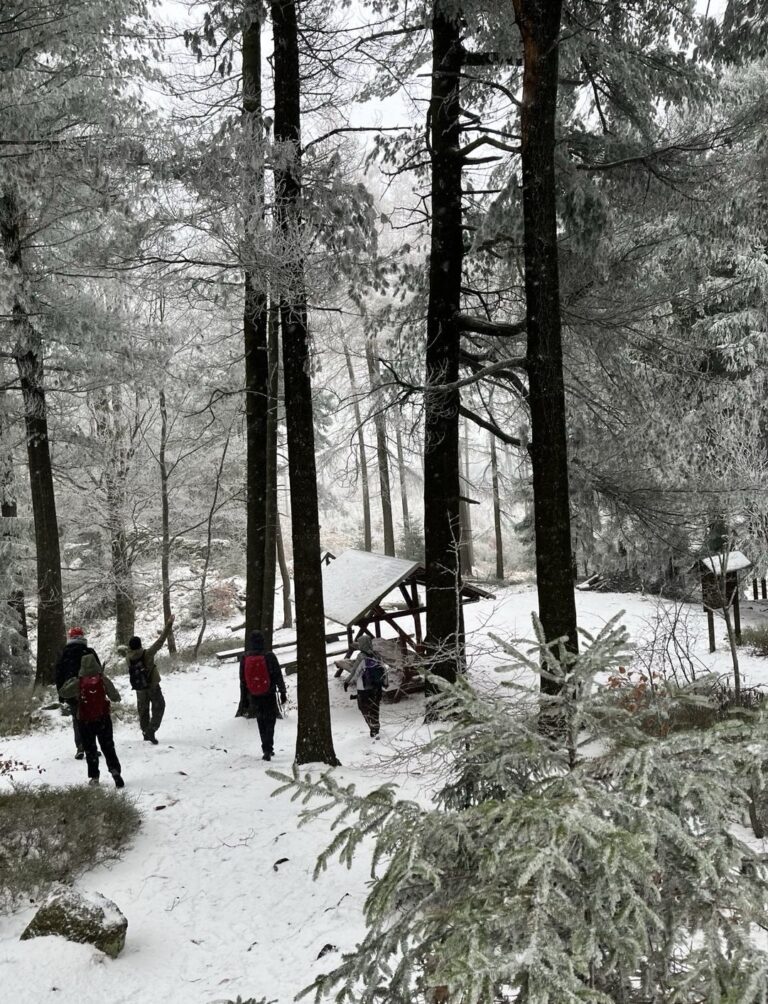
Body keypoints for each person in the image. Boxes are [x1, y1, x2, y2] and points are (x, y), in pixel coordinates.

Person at [59, 652, 124, 788]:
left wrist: (73, 680)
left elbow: (63, 692)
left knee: (90, 749)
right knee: (108, 747)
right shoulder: (103, 679)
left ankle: (94, 777)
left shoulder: (79, 682)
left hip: (85, 721)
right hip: (103, 719)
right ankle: (115, 771)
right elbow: (115, 696)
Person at [122, 615, 175, 745]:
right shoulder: (148, 653)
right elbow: (161, 640)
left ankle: (145, 732)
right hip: (152, 685)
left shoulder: (128, 657)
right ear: (140, 644)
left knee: (143, 710)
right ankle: (151, 729)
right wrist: (169, 624)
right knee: (159, 706)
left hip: (139, 687)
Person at [55, 626, 102, 760]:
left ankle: (80, 746)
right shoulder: (89, 651)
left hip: (72, 691)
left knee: (77, 718)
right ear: (82, 637)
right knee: (91, 718)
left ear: (70, 638)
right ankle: (91, 746)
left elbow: (58, 675)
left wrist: (61, 693)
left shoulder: (64, 653)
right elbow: (98, 671)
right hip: (89, 690)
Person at [239, 630, 287, 762]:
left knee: (261, 719)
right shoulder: (269, 656)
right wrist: (282, 692)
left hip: (254, 694)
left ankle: (265, 747)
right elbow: (278, 675)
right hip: (269, 692)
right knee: (270, 719)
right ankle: (268, 747)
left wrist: (244, 699)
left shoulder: (245, 657)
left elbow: (242, 680)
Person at [344, 635, 388, 740]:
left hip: (364, 689)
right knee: (375, 708)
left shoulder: (361, 657)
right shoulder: (376, 655)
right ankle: (376, 728)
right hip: (376, 687)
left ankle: (373, 729)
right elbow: (384, 669)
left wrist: (347, 682)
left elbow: (355, 672)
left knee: (364, 708)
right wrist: (385, 683)